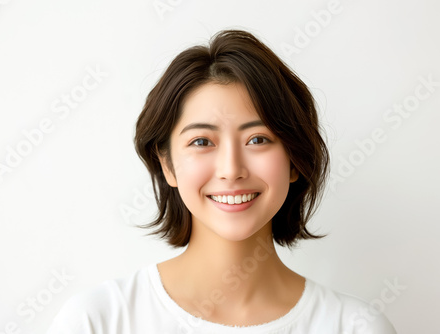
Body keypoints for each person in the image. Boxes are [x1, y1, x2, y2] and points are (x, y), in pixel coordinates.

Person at [46, 29, 396, 333]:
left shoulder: (354, 326)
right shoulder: (96, 321)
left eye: (258, 140)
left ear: (294, 161)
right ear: (167, 164)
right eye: (202, 142)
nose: (231, 169)